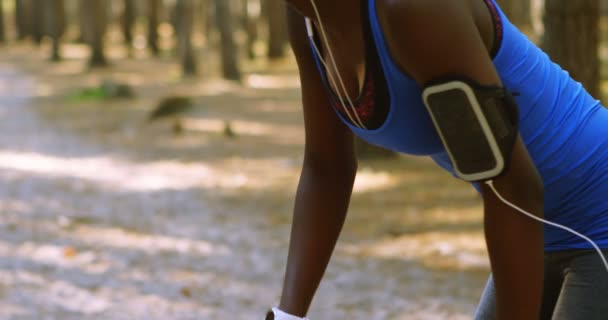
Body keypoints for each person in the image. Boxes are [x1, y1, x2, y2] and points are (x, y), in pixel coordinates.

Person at [265, 0, 608, 319]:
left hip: (596, 211)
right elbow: (327, 168)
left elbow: (513, 187)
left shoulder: (415, 9)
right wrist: (287, 316)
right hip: (537, 226)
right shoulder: (306, 20)